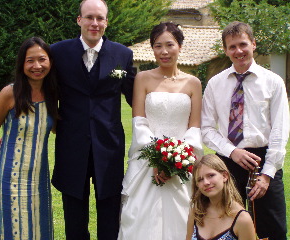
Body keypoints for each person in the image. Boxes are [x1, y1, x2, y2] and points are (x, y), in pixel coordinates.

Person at [50, 0, 135, 239]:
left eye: (100, 18)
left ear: (106, 22)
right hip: (71, 144)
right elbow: (44, 92)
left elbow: (134, 98)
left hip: (108, 146)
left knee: (109, 215)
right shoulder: (57, 52)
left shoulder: (123, 54)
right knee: (74, 218)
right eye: (89, 17)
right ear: (79, 20)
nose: (94, 23)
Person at [201, 21, 289, 240]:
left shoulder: (273, 82)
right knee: (229, 226)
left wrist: (267, 174)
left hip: (264, 160)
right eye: (232, 47)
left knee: (273, 228)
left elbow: (279, 130)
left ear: (253, 44)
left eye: (243, 44)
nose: (238, 51)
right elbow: (206, 129)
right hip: (228, 162)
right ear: (225, 50)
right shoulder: (214, 84)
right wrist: (232, 152)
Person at [118, 22, 203, 240]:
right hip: (147, 161)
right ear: (152, 48)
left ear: (180, 46)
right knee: (141, 219)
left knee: (183, 217)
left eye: (169, 45)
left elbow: (194, 126)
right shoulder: (143, 78)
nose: (164, 52)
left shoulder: (193, 83)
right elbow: (139, 121)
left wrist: (178, 160)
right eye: (157, 46)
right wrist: (157, 158)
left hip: (182, 162)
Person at [0, 36, 58, 239]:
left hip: (39, 179)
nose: (37, 66)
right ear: (21, 64)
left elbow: (55, 129)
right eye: (30, 60)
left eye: (42, 59)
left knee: (37, 229)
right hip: (8, 179)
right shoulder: (10, 93)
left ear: (50, 61)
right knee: (10, 231)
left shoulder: (53, 94)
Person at [186, 154, 256, 240]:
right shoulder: (196, 212)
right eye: (200, 180)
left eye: (211, 175)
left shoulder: (242, 219)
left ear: (224, 176)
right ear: (197, 185)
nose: (206, 182)